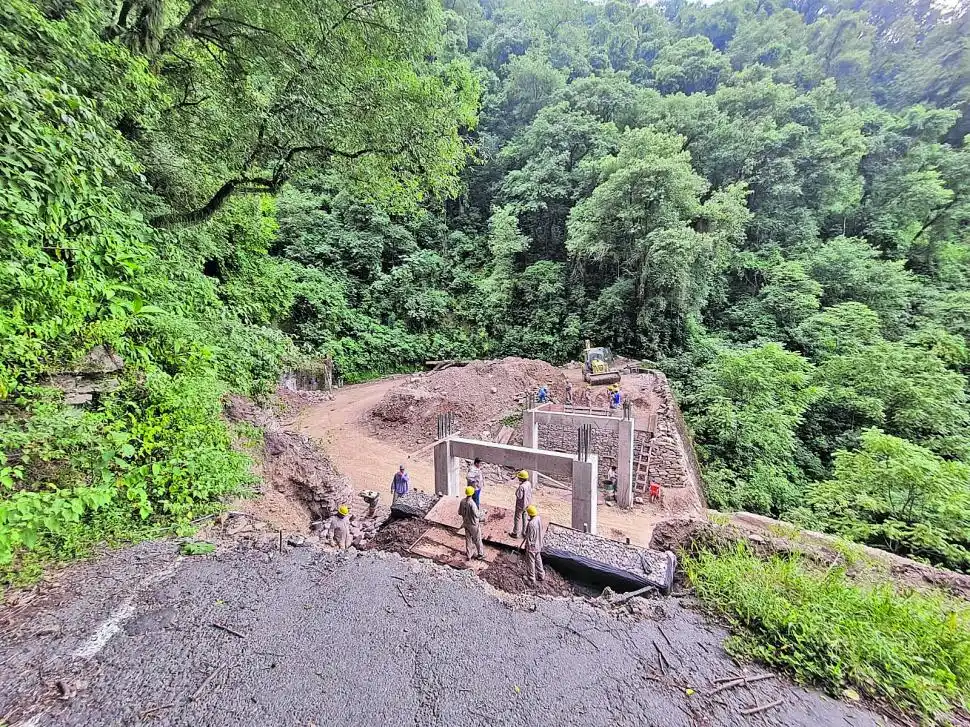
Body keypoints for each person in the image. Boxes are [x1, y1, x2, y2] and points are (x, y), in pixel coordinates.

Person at [458, 485, 484, 560]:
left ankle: (469, 555)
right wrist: (483, 512)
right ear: (472, 494)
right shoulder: (472, 503)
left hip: (466, 523)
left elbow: (459, 512)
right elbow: (477, 515)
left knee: (468, 539)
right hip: (473, 525)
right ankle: (480, 554)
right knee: (477, 539)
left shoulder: (462, 501)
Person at [523, 504, 545, 583]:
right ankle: (541, 574)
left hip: (532, 546)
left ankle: (531, 578)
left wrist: (527, 547)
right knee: (538, 559)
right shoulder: (538, 518)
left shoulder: (531, 524)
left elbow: (529, 537)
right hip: (539, 544)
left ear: (529, 514)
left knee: (531, 562)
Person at [509, 470, 532, 538]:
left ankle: (515, 533)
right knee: (524, 518)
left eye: (519, 477)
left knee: (517, 518)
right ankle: (524, 532)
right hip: (527, 504)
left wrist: (517, 489)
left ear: (522, 478)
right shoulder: (528, 483)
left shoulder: (521, 487)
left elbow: (519, 496)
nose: (518, 478)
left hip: (520, 505)